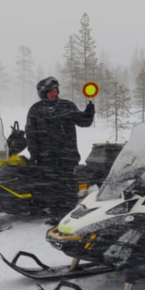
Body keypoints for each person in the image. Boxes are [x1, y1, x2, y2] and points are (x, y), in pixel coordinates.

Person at [25, 76, 95, 224]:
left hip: (67, 154)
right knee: (51, 185)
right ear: (43, 93)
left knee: (67, 184)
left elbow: (84, 122)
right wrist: (34, 154)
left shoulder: (67, 106)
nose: (54, 93)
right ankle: (55, 212)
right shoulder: (35, 110)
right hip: (46, 156)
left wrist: (89, 110)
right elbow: (31, 134)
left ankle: (67, 215)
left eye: (56, 90)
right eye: (50, 91)